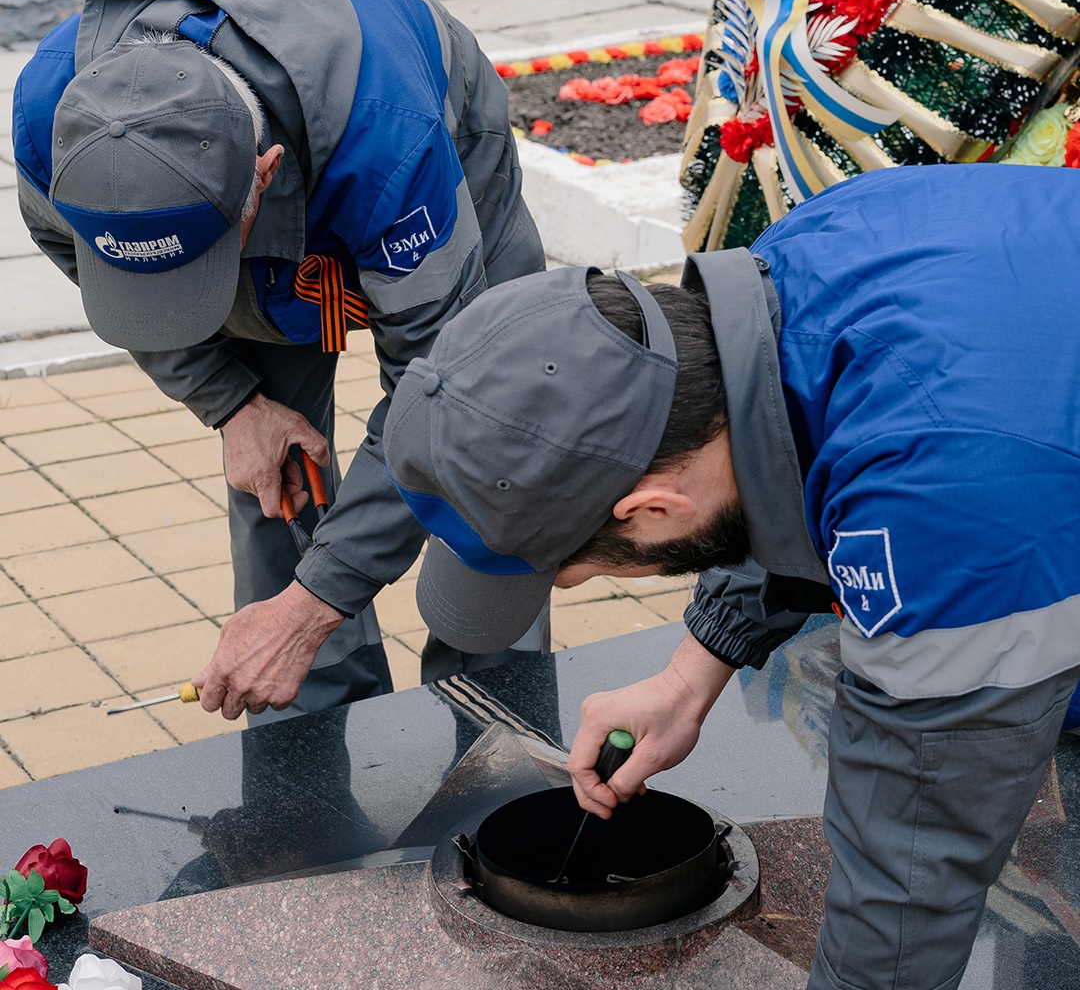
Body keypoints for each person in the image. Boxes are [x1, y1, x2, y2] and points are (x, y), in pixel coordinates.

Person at [382, 162, 1080, 989]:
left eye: (575, 572)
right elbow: (781, 453)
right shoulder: (801, 261)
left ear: (650, 508)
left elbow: (911, 871)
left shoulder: (942, 515)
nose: (574, 585)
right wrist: (689, 675)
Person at [12, 0, 547, 724]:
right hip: (258, 154)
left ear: (260, 176)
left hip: (421, 142)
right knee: (277, 477)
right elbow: (72, 249)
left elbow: (444, 390)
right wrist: (233, 404)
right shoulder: (54, 120)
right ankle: (308, 738)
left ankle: (498, 726)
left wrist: (318, 598)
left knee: (495, 447)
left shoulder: (390, 140)